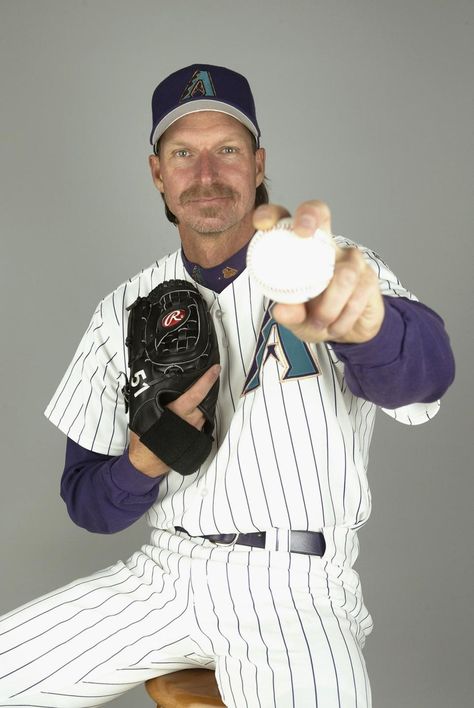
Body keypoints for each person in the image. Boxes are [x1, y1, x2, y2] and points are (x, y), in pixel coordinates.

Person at [0, 64, 454, 708]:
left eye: (228, 150)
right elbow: (88, 504)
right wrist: (146, 458)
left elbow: (426, 384)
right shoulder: (121, 309)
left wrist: (370, 328)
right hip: (161, 576)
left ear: (259, 163)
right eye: (184, 153)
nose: (206, 174)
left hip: (297, 591)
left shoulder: (326, 264)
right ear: (158, 172)